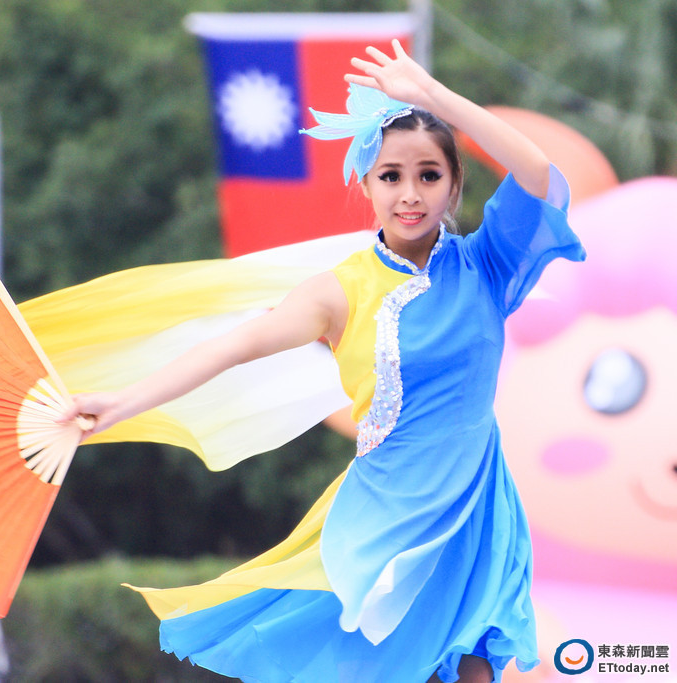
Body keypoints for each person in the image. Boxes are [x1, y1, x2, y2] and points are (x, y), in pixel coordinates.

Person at [59, 39, 585, 682]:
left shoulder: (488, 265)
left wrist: (433, 97)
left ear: (454, 185)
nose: (410, 193)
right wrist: (122, 402)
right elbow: (232, 347)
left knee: (473, 671)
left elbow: (538, 174)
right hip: (387, 516)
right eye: (390, 176)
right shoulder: (340, 290)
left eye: (429, 174)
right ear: (366, 183)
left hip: (476, 511)